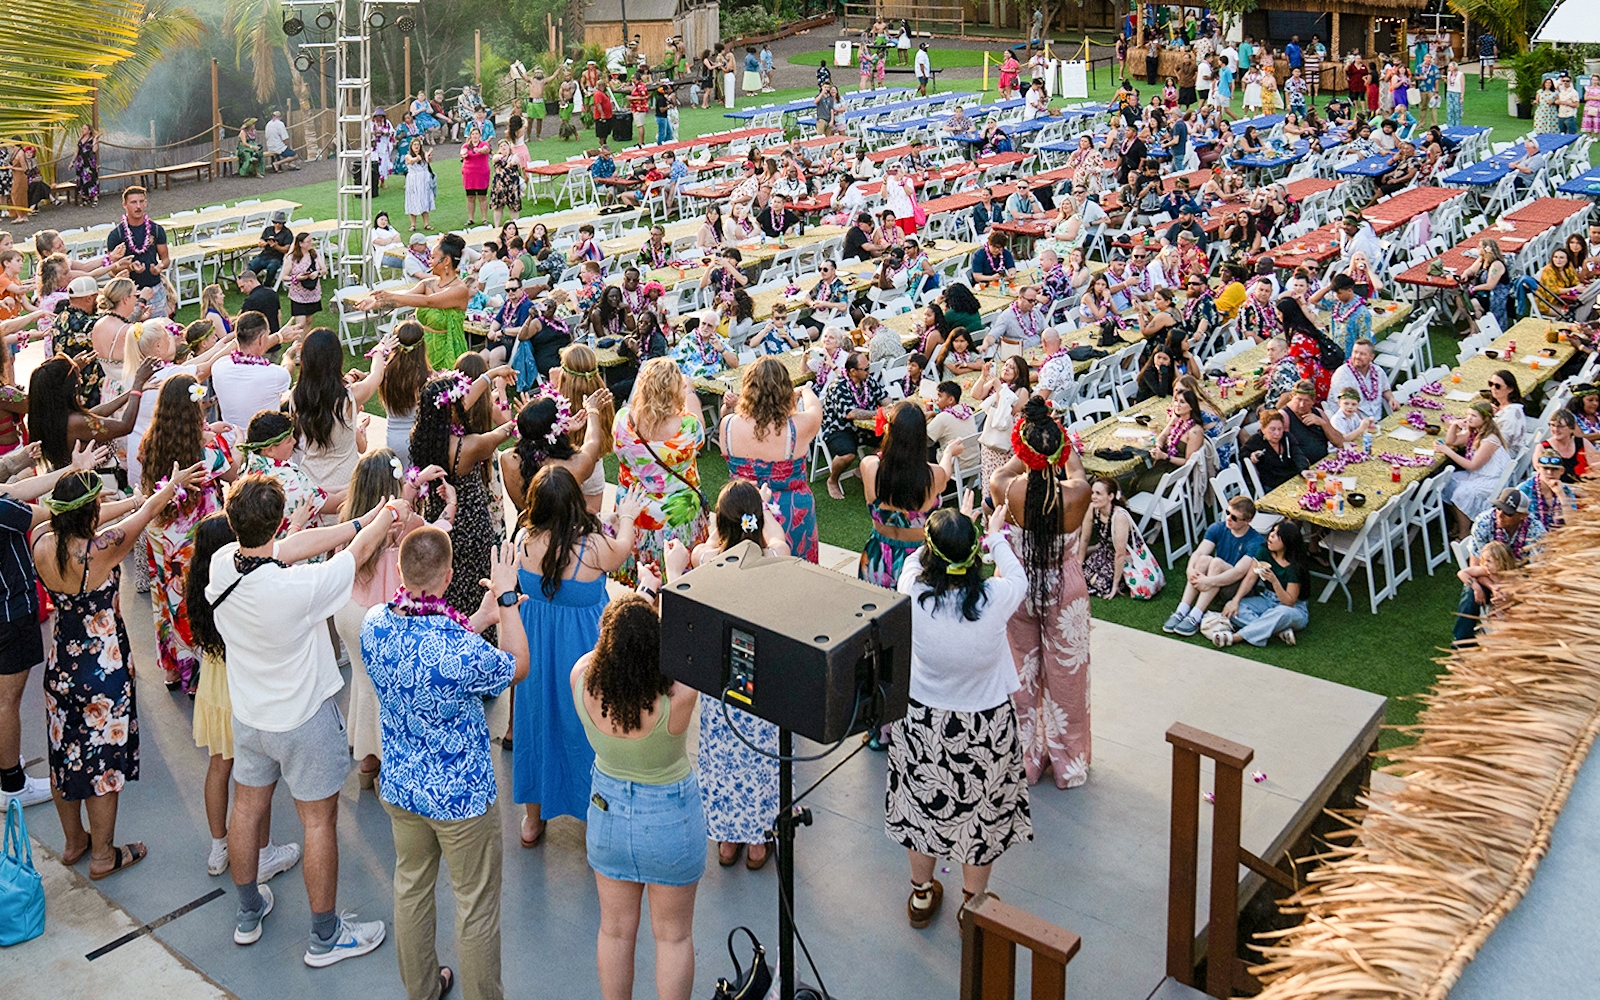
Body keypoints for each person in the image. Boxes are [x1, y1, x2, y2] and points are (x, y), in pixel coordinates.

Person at [208, 474, 403, 960]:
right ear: (276, 522)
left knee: (247, 809)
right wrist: (388, 517)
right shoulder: (299, 588)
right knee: (318, 823)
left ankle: (249, 911)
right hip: (304, 722)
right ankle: (324, 937)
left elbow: (288, 548)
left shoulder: (220, 565)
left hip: (251, 718)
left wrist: (357, 521)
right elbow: (355, 557)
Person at [356, 525, 525, 1000]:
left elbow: (427, 657)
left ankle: (423, 990)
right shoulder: (460, 649)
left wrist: (478, 620)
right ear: (449, 576)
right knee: (475, 906)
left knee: (410, 889)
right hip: (463, 801)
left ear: (404, 574)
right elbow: (517, 664)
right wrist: (506, 601)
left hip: (403, 788)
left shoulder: (375, 626)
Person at [34, 464, 202, 876]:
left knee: (66, 754)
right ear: (90, 513)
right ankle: (106, 855)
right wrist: (170, 487)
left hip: (62, 667)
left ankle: (75, 842)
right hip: (103, 670)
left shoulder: (42, 542)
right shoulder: (99, 552)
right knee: (102, 765)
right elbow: (139, 520)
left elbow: (121, 517)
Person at [887, 497, 1032, 927]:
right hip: (985, 727)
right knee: (981, 818)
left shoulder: (912, 590)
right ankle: (973, 903)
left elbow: (915, 559)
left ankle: (920, 895)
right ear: (973, 558)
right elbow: (1019, 574)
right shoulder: (998, 596)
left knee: (921, 808)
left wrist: (953, 529)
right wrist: (991, 535)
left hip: (923, 722)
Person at [572, 589, 702, 1000]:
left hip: (607, 815)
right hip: (669, 822)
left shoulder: (583, 679)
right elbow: (688, 652)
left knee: (614, 932)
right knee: (674, 938)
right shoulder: (678, 698)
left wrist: (630, 609)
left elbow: (599, 657)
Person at [0, 442, 111, 812]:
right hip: (8, 612)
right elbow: (48, 514)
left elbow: (14, 490)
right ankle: (12, 783)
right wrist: (92, 494)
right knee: (7, 701)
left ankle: (7, 762)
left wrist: (68, 471)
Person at [989, 400, 1091, 788]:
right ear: (1060, 450)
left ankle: (1027, 759)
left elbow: (1007, 467)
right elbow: (1075, 468)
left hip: (1018, 587)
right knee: (1068, 678)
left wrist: (1024, 451)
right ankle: (1068, 763)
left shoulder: (1005, 488)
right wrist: (1062, 447)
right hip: (1064, 588)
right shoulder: (1077, 494)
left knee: (1020, 673)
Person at [139, 374, 241, 694]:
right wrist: (229, 441)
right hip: (193, 540)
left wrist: (209, 433)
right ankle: (198, 675)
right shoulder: (206, 455)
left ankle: (172, 669)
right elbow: (234, 473)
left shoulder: (150, 442)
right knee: (196, 600)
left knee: (165, 602)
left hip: (159, 535)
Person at [720, 358, 823, 563]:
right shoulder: (798, 426)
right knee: (794, 571)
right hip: (791, 511)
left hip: (742, 508)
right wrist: (805, 391)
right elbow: (815, 411)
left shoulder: (728, 425)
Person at [859, 401, 960, 590]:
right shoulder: (934, 475)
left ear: (889, 430)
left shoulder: (869, 466)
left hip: (878, 558)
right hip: (919, 562)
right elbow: (945, 474)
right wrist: (948, 453)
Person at [360, 232, 472, 363]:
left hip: (450, 351)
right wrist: (375, 303)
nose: (430, 262)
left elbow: (429, 301)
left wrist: (391, 295)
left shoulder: (459, 290)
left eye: (433, 258)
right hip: (425, 348)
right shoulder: (427, 284)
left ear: (446, 261)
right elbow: (402, 300)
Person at [1163, 494, 1265, 637]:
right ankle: (1182, 609)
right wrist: (1190, 569)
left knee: (1216, 562)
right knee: (1204, 559)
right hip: (1216, 581)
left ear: (1248, 521)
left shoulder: (1255, 541)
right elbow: (1199, 553)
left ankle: (1195, 616)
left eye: (1234, 517)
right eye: (1228, 513)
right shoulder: (1218, 528)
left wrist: (1207, 581)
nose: (1228, 518)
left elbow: (1239, 572)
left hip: (1237, 587)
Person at [1453, 488, 1544, 646]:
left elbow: (1539, 575)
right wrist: (1494, 588)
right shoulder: (1484, 522)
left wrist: (1512, 591)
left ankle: (1529, 646)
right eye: (1499, 508)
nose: (1499, 514)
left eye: (1507, 512)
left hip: (1522, 583)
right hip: (1489, 577)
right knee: (1470, 594)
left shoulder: (1536, 532)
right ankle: (1461, 645)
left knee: (1539, 599)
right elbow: (1475, 566)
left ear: (1522, 516)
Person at [1212, 520, 1310, 648]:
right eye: (1272, 531)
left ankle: (1236, 637)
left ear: (1287, 541)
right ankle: (1277, 631)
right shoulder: (1264, 552)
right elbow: (1250, 579)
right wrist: (1235, 600)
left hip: (1293, 608)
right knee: (1234, 609)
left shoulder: (1294, 567)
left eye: (1277, 535)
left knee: (1281, 612)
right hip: (1268, 600)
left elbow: (1289, 602)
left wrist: (1274, 581)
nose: (1271, 536)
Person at [1079, 476, 1162, 599]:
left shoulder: (1119, 517)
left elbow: (1120, 554)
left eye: (1098, 494)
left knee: (1099, 583)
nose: (1093, 497)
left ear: (1111, 496)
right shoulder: (1093, 508)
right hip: (1105, 550)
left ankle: (1119, 580)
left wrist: (1115, 587)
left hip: (1125, 557)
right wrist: (1079, 564)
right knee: (1082, 575)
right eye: (1092, 493)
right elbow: (1085, 538)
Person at [822, 351, 889, 501]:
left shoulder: (868, 380)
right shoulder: (839, 386)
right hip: (839, 428)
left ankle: (863, 469)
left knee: (890, 440)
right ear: (853, 371)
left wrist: (888, 406)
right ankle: (832, 480)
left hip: (863, 427)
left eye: (868, 367)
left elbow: (883, 395)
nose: (868, 371)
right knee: (848, 455)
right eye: (865, 369)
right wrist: (878, 413)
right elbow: (849, 413)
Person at [1438, 401, 1513, 533]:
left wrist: (1447, 451)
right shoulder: (1476, 433)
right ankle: (1460, 520)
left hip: (1491, 479)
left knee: (1462, 493)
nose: (1469, 419)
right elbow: (1451, 441)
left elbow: (1472, 466)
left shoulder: (1489, 440)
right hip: (1478, 474)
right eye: (1468, 415)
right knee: (1448, 481)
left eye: (1474, 416)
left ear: (1485, 419)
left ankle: (1464, 532)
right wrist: (1455, 425)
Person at [107, 187, 170, 317]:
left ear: (145, 203)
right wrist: (130, 268)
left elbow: (166, 259)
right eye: (133, 202)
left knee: (160, 330)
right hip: (129, 295)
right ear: (125, 205)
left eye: (141, 202)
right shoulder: (116, 235)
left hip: (155, 289)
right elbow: (111, 270)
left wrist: (160, 266)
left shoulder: (156, 230)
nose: (138, 206)